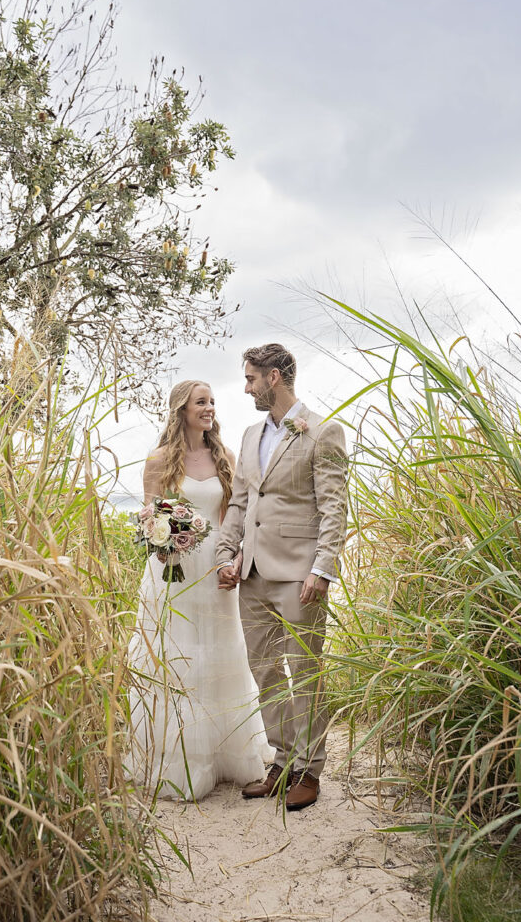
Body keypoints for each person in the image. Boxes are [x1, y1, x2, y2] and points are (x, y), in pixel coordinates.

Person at [216, 343, 348, 810]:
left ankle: (310, 770)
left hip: (299, 575)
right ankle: (283, 760)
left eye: (251, 378)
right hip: (250, 574)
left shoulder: (323, 431)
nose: (246, 386)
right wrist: (225, 553)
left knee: (305, 671)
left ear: (274, 377)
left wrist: (322, 569)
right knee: (265, 670)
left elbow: (334, 507)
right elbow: (240, 502)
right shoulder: (251, 435)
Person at [127, 380, 269, 800]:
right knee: (179, 657)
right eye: (200, 402)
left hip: (215, 566)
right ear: (182, 410)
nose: (209, 408)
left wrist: (234, 560)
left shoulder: (225, 457)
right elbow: (149, 515)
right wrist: (163, 545)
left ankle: (228, 754)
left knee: (223, 655)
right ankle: (180, 760)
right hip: (172, 568)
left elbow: (234, 517)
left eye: (212, 401)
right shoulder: (159, 460)